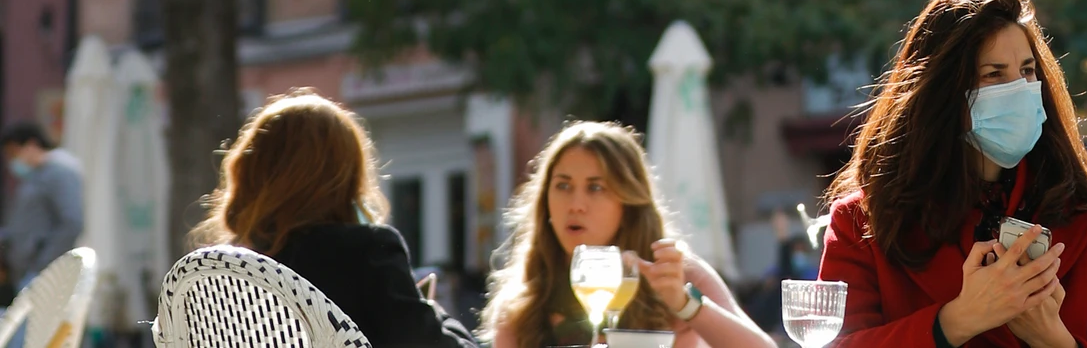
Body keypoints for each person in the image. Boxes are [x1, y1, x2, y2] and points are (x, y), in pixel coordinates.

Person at [819, 0, 1087, 348]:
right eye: (993, 75)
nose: (1019, 89)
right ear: (941, 95)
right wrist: (957, 320)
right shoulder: (862, 223)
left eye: (1027, 71)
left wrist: (1052, 339)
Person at [191, 91, 477, 348]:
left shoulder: (219, 275)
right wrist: (431, 309)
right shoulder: (366, 253)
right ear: (345, 178)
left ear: (248, 174)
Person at [483, 121, 774, 348]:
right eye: (563, 186)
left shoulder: (677, 275)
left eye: (596, 187)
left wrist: (685, 306)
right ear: (545, 200)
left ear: (629, 203)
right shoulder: (522, 304)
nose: (576, 205)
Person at [0, 121, 85, 289]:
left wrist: (45, 264)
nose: (12, 160)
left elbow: (72, 222)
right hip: (27, 270)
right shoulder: (36, 175)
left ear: (32, 144)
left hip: (43, 273)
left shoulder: (60, 172)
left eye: (14, 152)